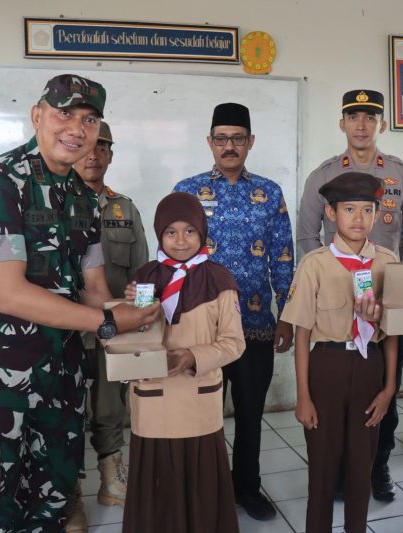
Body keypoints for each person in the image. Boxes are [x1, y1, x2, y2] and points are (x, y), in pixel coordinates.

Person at [0, 74, 160, 531]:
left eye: (89, 119)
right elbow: (9, 293)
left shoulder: (83, 197)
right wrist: (105, 322)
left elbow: (94, 285)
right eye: (65, 113)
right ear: (37, 115)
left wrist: (132, 319)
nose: (77, 129)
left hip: (61, 380)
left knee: (53, 502)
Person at [173, 102, 295, 520]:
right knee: (201, 412)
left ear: (250, 142)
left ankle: (247, 487)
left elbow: (282, 257)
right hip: (199, 328)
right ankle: (202, 487)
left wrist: (287, 315)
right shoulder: (186, 191)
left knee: (250, 413)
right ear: (209, 142)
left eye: (237, 139)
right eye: (221, 138)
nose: (229, 146)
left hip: (255, 324)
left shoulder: (269, 192)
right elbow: (169, 255)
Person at [296, 89, 403, 501]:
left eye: (370, 117)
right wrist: (322, 277)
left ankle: (377, 468)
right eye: (353, 116)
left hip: (384, 302)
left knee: (384, 387)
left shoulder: (402, 175)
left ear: (381, 124)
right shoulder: (323, 175)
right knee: (336, 398)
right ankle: (338, 474)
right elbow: (306, 234)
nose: (362, 125)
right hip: (335, 300)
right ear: (342, 123)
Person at [122, 192, 245, 533]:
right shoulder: (144, 277)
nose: (180, 240)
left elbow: (235, 343)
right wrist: (129, 307)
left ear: (203, 233)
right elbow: (133, 334)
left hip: (197, 396)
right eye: (171, 232)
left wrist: (193, 356)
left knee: (199, 480)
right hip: (154, 399)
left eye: (189, 231)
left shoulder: (220, 280)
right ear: (159, 234)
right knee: (157, 480)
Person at [282, 172, 398, 533]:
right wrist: (303, 395)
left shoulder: (388, 262)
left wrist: (390, 387)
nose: (359, 219)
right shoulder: (314, 264)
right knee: (323, 463)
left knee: (362, 464)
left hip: (370, 366)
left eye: (367, 210)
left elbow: (393, 333)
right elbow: (302, 334)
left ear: (377, 214)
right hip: (326, 366)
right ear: (331, 213)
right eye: (349, 209)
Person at [66, 122, 149, 528]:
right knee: (64, 410)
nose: (93, 155)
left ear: (111, 155)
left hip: (112, 329)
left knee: (109, 405)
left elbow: (145, 276)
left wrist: (142, 324)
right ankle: (68, 494)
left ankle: (110, 479)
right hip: (62, 329)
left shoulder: (124, 209)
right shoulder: (55, 203)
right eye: (87, 147)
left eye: (103, 147)